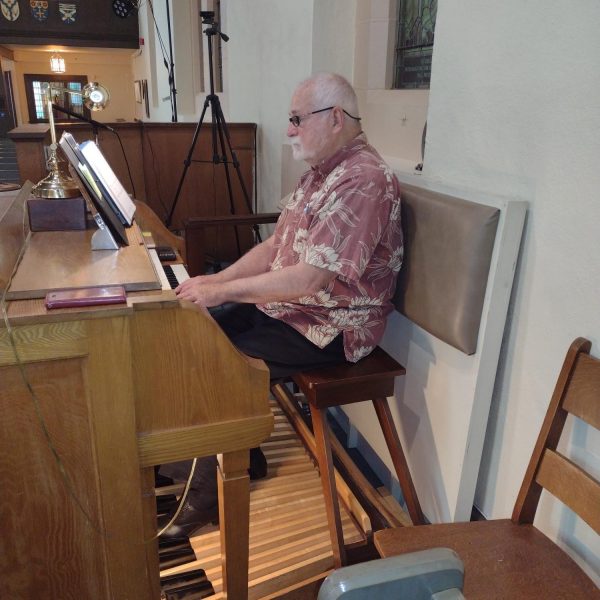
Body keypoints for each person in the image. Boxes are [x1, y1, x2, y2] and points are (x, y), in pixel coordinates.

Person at [160, 72, 403, 540]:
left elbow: (313, 279)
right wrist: (216, 280)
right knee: (190, 328)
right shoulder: (321, 173)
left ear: (335, 119)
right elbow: (276, 246)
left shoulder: (364, 180)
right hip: (291, 309)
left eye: (296, 119)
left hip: (331, 326)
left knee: (211, 354)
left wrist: (223, 293)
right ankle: (237, 454)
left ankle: (208, 490)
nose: (289, 129)